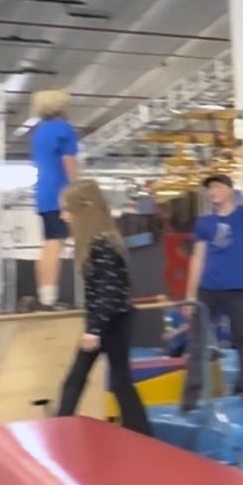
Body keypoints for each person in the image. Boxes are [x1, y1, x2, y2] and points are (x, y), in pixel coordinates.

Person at [53, 179, 154, 436]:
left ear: (85, 208)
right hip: (111, 319)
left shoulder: (102, 244)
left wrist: (94, 330)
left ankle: (140, 431)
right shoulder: (99, 242)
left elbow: (108, 293)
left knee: (94, 379)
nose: (63, 216)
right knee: (110, 380)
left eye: (67, 210)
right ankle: (140, 430)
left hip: (112, 321)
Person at [185, 169, 243, 408]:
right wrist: (190, 295)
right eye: (210, 188)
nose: (213, 192)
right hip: (208, 289)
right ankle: (191, 397)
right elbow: (197, 258)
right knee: (198, 344)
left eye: (218, 187)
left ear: (230, 190)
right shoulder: (204, 222)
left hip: (237, 289)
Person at [29, 89, 81, 310]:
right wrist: (77, 189)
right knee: (55, 243)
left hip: (43, 194)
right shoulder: (64, 129)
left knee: (47, 244)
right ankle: (49, 299)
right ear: (59, 107)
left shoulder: (39, 132)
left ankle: (44, 296)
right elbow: (68, 161)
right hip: (60, 193)